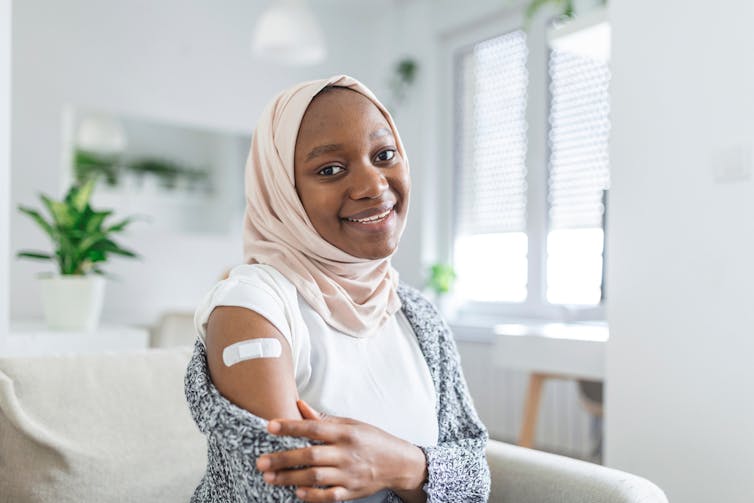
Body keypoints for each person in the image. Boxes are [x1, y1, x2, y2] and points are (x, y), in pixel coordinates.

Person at [185, 75, 490, 503]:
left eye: (384, 155)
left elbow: (475, 477)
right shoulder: (253, 306)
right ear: (283, 192)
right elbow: (284, 492)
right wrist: (421, 472)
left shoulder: (417, 314)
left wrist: (397, 463)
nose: (373, 186)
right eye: (330, 169)